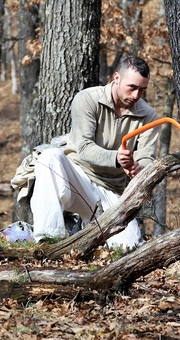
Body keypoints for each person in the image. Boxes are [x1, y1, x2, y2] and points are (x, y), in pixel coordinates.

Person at [29, 56, 160, 249]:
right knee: (49, 157)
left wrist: (139, 169)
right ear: (116, 77)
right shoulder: (88, 99)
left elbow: (147, 157)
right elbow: (83, 148)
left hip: (111, 190)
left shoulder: (148, 115)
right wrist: (115, 157)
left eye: (142, 89)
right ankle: (48, 242)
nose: (136, 95)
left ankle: (81, 229)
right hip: (77, 177)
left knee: (127, 248)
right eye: (132, 87)